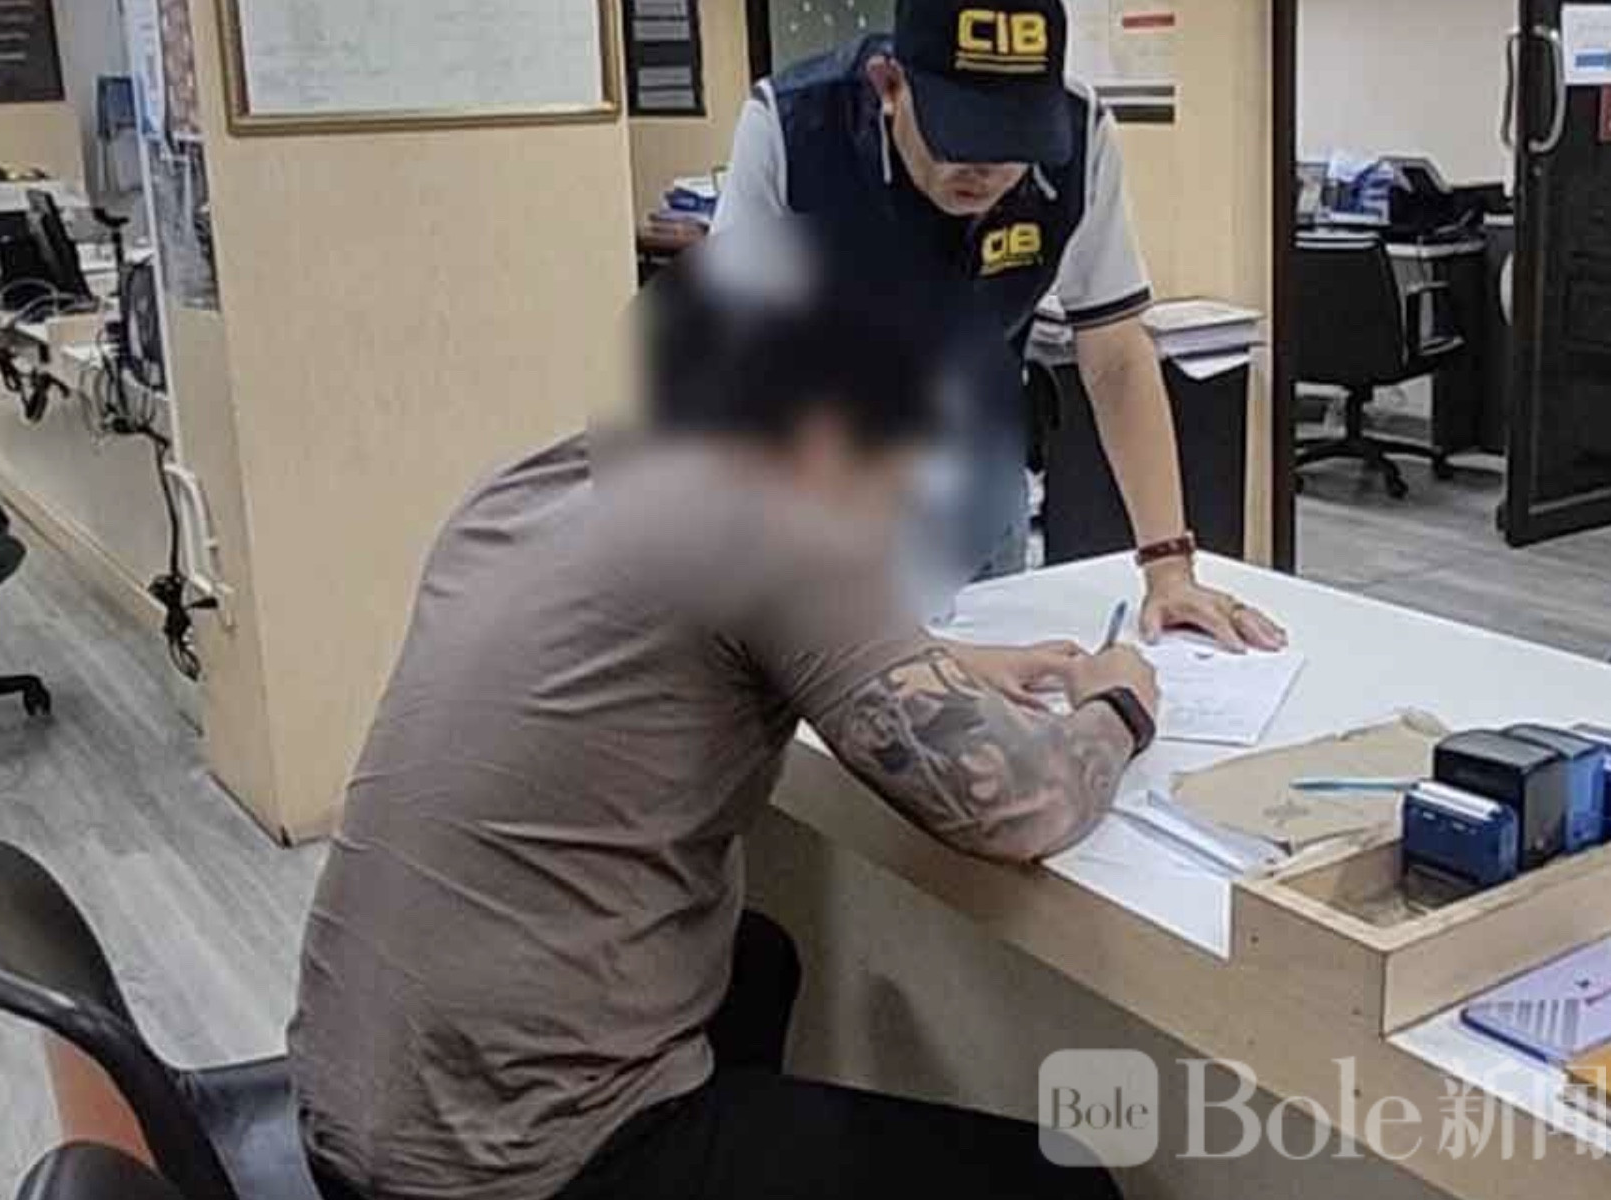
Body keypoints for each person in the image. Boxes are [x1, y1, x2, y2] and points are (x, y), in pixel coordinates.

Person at [289, 232, 1147, 1200]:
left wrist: (936, 665)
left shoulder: (521, 493)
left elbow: (678, 652)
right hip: (519, 1169)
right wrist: (1118, 703)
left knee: (756, 962)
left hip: (344, 1111)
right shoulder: (769, 523)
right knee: (1063, 1184)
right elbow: (1014, 804)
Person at [713, 0, 1286, 653]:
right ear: (890, 85)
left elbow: (1117, 357)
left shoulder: (1081, 136)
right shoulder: (793, 131)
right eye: (960, 135)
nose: (983, 170)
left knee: (1001, 669)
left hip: (977, 474)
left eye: (1012, 140)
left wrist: (1168, 565)